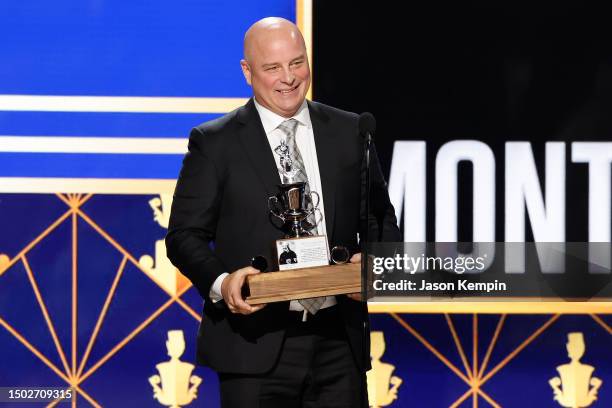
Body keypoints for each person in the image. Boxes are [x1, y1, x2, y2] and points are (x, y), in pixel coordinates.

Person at [166, 17, 400, 408]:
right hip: (253, 343)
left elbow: (381, 219)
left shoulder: (351, 131)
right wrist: (224, 284)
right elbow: (183, 237)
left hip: (338, 344)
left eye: (296, 63)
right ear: (247, 71)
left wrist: (374, 265)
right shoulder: (215, 143)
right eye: (272, 67)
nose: (288, 78)